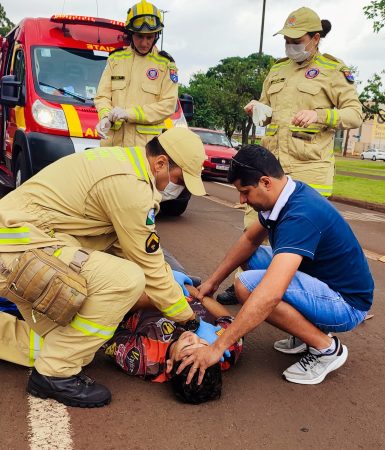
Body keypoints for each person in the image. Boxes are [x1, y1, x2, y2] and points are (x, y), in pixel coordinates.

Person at [0, 128, 222, 408]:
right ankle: (54, 375)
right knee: (127, 279)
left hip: (25, 246)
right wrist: (189, 320)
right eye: (179, 179)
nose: (176, 187)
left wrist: (174, 288)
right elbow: (147, 265)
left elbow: (131, 248)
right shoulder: (131, 187)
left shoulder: (125, 164)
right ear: (161, 163)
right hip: (18, 250)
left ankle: (54, 361)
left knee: (61, 344)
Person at [177, 145, 374, 386]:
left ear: (266, 182)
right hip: (324, 282)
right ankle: (305, 333)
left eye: (245, 192)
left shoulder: (300, 215)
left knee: (247, 287)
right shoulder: (285, 196)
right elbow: (249, 239)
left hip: (346, 305)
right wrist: (212, 282)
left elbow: (270, 294)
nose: (241, 200)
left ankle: (326, 348)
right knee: (252, 256)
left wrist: (217, 347)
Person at [218, 6, 363, 306]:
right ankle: (262, 285)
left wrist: (320, 115)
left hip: (310, 166)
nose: (291, 45)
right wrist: (258, 108)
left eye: (297, 39)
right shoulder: (277, 70)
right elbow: (269, 112)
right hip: (272, 166)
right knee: (253, 231)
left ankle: (306, 301)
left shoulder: (334, 71)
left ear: (315, 38)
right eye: (287, 39)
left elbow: (355, 114)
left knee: (303, 243)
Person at [104, 285, 242, 404]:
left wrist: (166, 296)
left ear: (169, 365)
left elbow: (110, 319)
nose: (194, 337)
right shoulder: (223, 352)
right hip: (189, 289)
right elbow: (230, 320)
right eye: (202, 343)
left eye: (188, 347)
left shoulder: (141, 356)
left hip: (145, 288)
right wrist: (194, 293)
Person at [94, 0, 179, 147]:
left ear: (156, 36)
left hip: (146, 149)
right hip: (113, 145)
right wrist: (105, 117)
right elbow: (102, 96)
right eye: (140, 36)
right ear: (131, 33)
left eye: (149, 37)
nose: (144, 43)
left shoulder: (166, 64)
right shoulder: (116, 59)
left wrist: (129, 114)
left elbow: (168, 105)